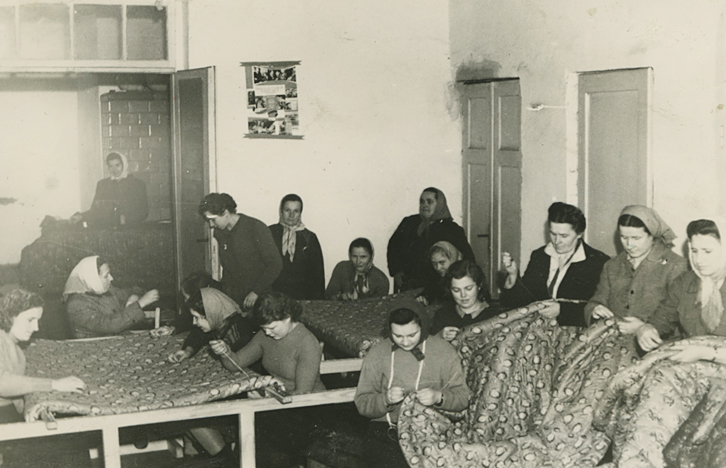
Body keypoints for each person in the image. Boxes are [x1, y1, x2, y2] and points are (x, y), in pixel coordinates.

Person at [354, 298, 470, 468]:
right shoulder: (378, 353)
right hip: (387, 430)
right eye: (398, 336)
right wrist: (385, 399)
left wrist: (439, 397)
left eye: (412, 335)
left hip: (431, 432)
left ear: (423, 326)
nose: (406, 342)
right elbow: (362, 403)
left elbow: (463, 398)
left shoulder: (443, 350)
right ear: (389, 330)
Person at [500, 202, 610, 327]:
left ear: (579, 234)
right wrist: (513, 276)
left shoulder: (597, 262)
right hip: (538, 328)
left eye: (564, 236)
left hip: (573, 329)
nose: (557, 241)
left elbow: (600, 307)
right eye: (553, 234)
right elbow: (523, 301)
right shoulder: (539, 256)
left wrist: (562, 310)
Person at [584, 205, 687, 334]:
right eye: (624, 237)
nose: (629, 245)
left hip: (658, 341)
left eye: (636, 238)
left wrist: (644, 327)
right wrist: (594, 309)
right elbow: (597, 300)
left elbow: (677, 315)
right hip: (615, 340)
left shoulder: (675, 266)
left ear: (652, 236)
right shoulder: (612, 265)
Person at [638, 218, 726, 352]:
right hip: (689, 358)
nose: (699, 260)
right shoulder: (685, 282)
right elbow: (663, 318)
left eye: (707, 251)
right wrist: (647, 328)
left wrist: (705, 354)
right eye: (694, 251)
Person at [210, 291, 324, 395]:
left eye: (272, 328)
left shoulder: (307, 342)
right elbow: (236, 364)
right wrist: (225, 352)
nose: (267, 333)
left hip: (309, 404)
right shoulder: (264, 336)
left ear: (287, 318)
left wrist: (267, 397)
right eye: (264, 328)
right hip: (279, 398)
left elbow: (303, 393)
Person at [0, 289, 85, 424]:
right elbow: (2, 383)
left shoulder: (13, 344)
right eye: (30, 320)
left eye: (37, 321)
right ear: (11, 316)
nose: (36, 328)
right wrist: (54, 384)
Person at [198, 193, 282, 310]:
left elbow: (276, 264)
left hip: (258, 297)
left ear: (225, 213)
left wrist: (256, 292)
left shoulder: (256, 228)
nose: (211, 225)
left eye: (213, 219)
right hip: (233, 298)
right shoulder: (219, 232)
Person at [387, 187, 475, 292]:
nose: (425, 205)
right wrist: (397, 271)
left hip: (437, 285)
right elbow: (393, 246)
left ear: (439, 204)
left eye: (429, 202)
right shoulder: (409, 223)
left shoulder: (451, 229)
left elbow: (467, 258)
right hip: (408, 283)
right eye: (422, 201)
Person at [64, 255, 160, 339]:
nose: (111, 278)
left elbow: (130, 292)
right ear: (92, 279)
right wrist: (141, 303)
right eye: (106, 276)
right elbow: (109, 325)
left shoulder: (107, 290)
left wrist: (133, 297)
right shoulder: (76, 304)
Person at [167, 287, 255, 364]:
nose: (194, 322)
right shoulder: (218, 322)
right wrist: (187, 351)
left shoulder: (238, 329)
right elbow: (197, 335)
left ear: (210, 314)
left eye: (196, 317)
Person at [269, 194, 325, 300]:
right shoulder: (269, 233)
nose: (291, 215)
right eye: (287, 210)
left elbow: (317, 275)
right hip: (273, 296)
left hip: (302, 296)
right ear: (281, 211)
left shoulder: (309, 237)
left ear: (300, 213)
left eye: (296, 211)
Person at [431, 260, 503, 341]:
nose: (463, 295)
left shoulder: (495, 314)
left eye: (468, 288)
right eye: (456, 290)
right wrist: (439, 336)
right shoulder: (442, 315)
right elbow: (429, 345)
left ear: (479, 286)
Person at [72, 152, 149, 226]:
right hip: (106, 228)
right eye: (111, 166)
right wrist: (82, 216)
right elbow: (95, 210)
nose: (114, 169)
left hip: (130, 228)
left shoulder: (137, 184)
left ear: (124, 164)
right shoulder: (102, 184)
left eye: (117, 165)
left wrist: (127, 219)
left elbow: (143, 211)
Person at [326, 238, 390, 301]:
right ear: (350, 256)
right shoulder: (342, 268)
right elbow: (328, 296)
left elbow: (378, 305)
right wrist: (340, 297)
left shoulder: (381, 280)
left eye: (363, 257)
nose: (358, 261)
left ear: (371, 256)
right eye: (354, 256)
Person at [417, 240, 463, 305]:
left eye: (442, 262)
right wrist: (423, 298)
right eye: (434, 263)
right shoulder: (437, 278)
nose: (438, 268)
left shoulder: (464, 277)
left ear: (453, 258)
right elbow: (430, 291)